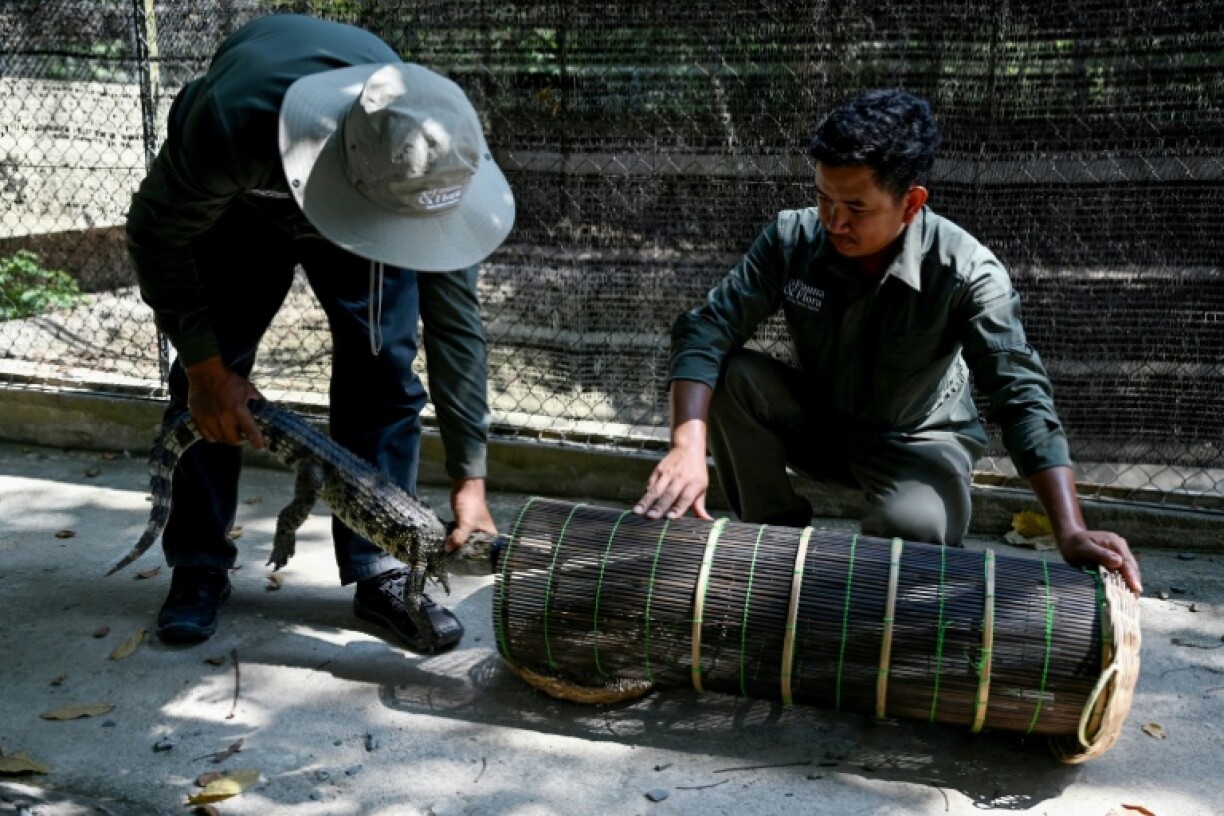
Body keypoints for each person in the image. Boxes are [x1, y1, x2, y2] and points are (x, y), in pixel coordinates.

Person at [633, 89, 1141, 594]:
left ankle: (903, 533)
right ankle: (774, 546)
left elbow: (1021, 396)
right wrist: (687, 446)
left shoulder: (967, 272)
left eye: (856, 206)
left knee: (907, 554)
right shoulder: (793, 239)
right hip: (822, 421)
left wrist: (1069, 530)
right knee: (729, 374)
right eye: (824, 198)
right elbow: (706, 328)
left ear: (911, 203)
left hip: (917, 441)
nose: (834, 221)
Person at [126, 14, 516, 648]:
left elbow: (454, 320)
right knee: (212, 377)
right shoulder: (231, 122)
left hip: (374, 192)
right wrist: (204, 367)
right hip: (242, 202)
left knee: (384, 364)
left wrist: (471, 480)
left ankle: (380, 569)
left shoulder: (439, 151)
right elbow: (155, 234)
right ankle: (197, 564)